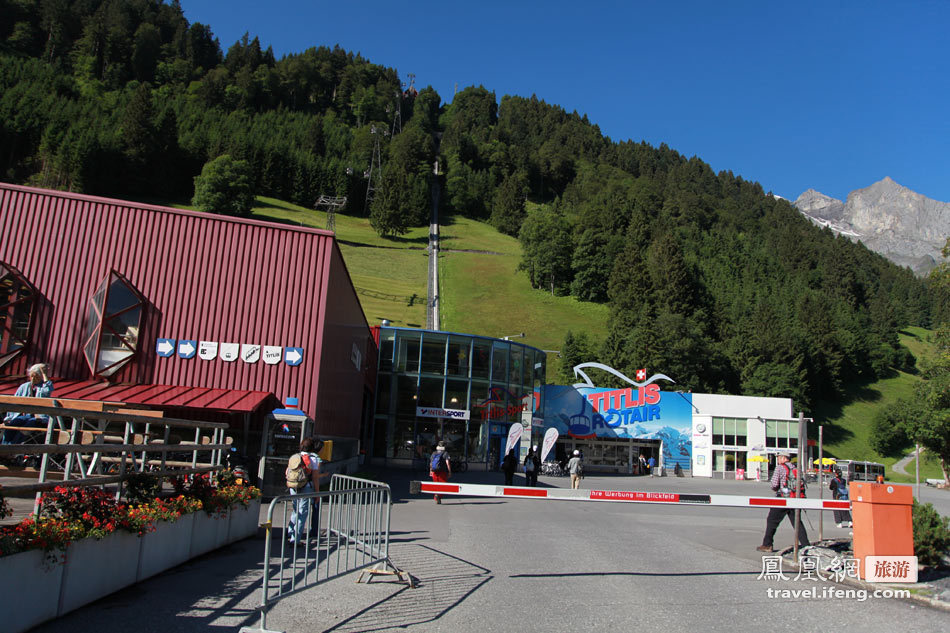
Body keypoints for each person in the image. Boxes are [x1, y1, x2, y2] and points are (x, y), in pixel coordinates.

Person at [757, 453, 810, 552]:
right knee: (797, 522)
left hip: (782, 498)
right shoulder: (796, 468)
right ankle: (806, 545)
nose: (777, 459)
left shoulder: (779, 468)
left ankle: (767, 544)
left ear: (783, 458)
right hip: (795, 498)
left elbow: (774, 484)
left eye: (778, 457)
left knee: (772, 521)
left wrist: (777, 488)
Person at [2, 363, 53, 445]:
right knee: (12, 425)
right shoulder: (24, 386)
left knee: (26, 428)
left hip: (39, 418)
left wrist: (44, 374)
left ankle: (13, 449)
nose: (33, 378)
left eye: (36, 376)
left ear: (41, 377)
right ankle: (4, 448)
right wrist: (9, 418)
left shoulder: (44, 387)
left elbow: (47, 390)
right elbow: (14, 402)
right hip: (25, 416)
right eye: (31, 376)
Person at [286, 437, 324, 543]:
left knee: (295, 510)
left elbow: (287, 472)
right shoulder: (314, 458)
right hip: (306, 487)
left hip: (293, 486)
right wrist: (317, 493)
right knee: (302, 513)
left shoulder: (295, 456)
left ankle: (290, 532)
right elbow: (315, 478)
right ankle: (295, 540)